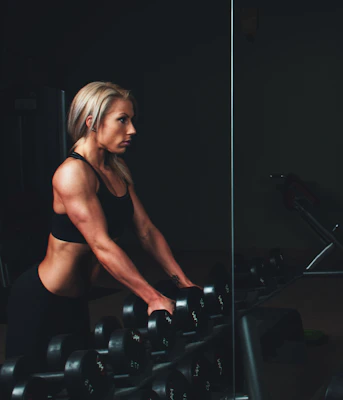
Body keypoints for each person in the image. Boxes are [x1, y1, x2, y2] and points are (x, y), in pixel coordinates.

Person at [5, 81, 200, 364]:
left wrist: (184, 284)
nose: (131, 129)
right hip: (41, 300)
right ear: (91, 121)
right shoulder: (72, 174)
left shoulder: (115, 170)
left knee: (78, 381)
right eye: (122, 120)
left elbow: (146, 232)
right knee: (28, 388)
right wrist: (153, 298)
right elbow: (101, 245)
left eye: (131, 120)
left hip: (76, 302)